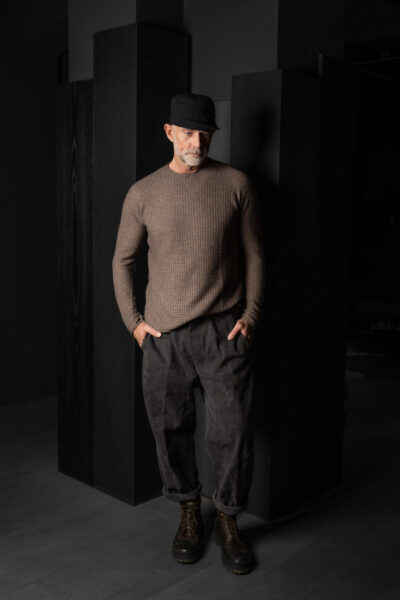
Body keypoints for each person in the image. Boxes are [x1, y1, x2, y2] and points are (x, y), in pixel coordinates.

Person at [112, 92, 265, 575]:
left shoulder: (236, 183)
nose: (196, 142)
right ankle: (189, 513)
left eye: (205, 133)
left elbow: (255, 255)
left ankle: (228, 520)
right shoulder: (143, 192)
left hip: (223, 333)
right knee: (170, 431)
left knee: (232, 433)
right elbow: (122, 261)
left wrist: (251, 316)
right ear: (169, 132)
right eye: (187, 132)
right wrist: (135, 325)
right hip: (164, 339)